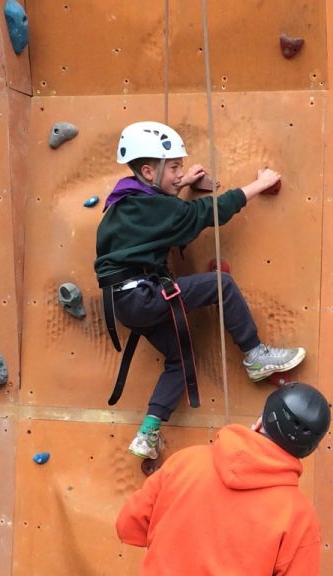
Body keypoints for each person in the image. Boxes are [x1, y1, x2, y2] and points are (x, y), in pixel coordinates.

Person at [94, 121, 306, 460]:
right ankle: (255, 355)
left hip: (127, 301)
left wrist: (181, 184)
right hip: (144, 295)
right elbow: (207, 212)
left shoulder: (124, 202)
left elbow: (155, 222)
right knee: (219, 285)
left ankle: (148, 431)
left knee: (180, 360)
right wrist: (259, 184)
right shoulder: (148, 206)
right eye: (174, 167)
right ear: (149, 171)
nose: (180, 172)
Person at [116, 382, 331, 575]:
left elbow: (128, 525)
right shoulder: (299, 516)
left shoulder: (184, 462)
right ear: (307, 451)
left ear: (259, 422)